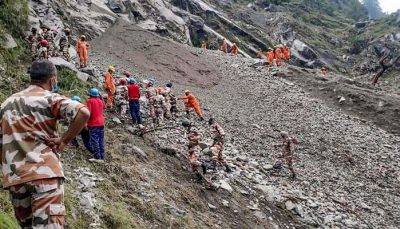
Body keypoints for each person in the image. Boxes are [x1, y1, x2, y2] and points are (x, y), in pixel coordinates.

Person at [0, 60, 90, 228]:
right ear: (52, 79)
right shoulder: (49, 98)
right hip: (45, 175)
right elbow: (83, 112)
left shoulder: (6, 104)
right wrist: (64, 140)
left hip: (15, 179)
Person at [86, 88, 106, 162]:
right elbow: (104, 106)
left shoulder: (90, 101)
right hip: (101, 123)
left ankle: (97, 157)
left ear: (90, 94)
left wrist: (85, 122)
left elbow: (88, 113)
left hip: (93, 124)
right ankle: (102, 156)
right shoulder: (100, 101)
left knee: (95, 140)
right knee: (101, 140)